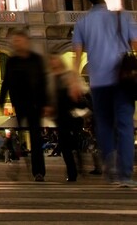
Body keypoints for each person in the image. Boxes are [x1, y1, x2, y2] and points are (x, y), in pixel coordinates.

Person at [72, 0, 137, 187]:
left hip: (99, 81)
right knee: (125, 125)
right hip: (123, 79)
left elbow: (77, 54)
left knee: (105, 125)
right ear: (104, 0)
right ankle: (125, 174)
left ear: (88, 2)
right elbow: (134, 44)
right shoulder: (122, 17)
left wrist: (74, 80)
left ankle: (110, 167)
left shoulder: (82, 22)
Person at [0, 28, 48, 181]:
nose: (17, 44)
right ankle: (20, 162)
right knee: (16, 137)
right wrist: (1, 100)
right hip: (19, 104)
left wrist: (46, 103)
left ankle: (38, 172)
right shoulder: (12, 61)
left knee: (36, 138)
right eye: (15, 41)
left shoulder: (36, 59)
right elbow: (6, 81)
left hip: (35, 104)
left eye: (19, 41)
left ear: (26, 42)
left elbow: (43, 82)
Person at [48, 53, 81, 182]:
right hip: (59, 115)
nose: (53, 63)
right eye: (51, 61)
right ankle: (72, 172)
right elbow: (49, 95)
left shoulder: (68, 75)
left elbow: (79, 92)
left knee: (71, 143)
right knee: (65, 145)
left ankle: (75, 168)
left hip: (71, 113)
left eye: (55, 60)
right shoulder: (50, 77)